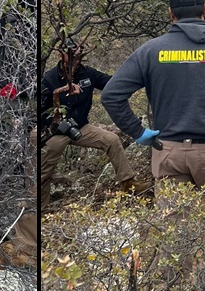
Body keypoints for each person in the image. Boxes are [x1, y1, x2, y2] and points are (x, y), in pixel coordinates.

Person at [100, 0, 205, 264]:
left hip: (168, 151)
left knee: (175, 226)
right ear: (204, 10)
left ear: (170, 14)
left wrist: (140, 134)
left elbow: (112, 96)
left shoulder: (151, 51)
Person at [38, 38, 149, 208]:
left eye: (78, 52)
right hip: (57, 132)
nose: (76, 56)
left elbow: (112, 83)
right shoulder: (49, 79)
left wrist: (141, 75)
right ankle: (39, 209)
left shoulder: (87, 73)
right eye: (71, 53)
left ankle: (129, 184)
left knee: (112, 140)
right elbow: (40, 111)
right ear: (60, 55)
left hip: (81, 127)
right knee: (44, 169)